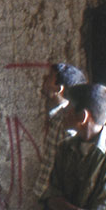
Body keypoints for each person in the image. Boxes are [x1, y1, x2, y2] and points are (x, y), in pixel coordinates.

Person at [34, 62, 88, 202]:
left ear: (59, 88)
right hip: (51, 198)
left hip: (59, 201)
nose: (44, 79)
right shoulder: (58, 116)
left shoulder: (68, 123)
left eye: (49, 78)